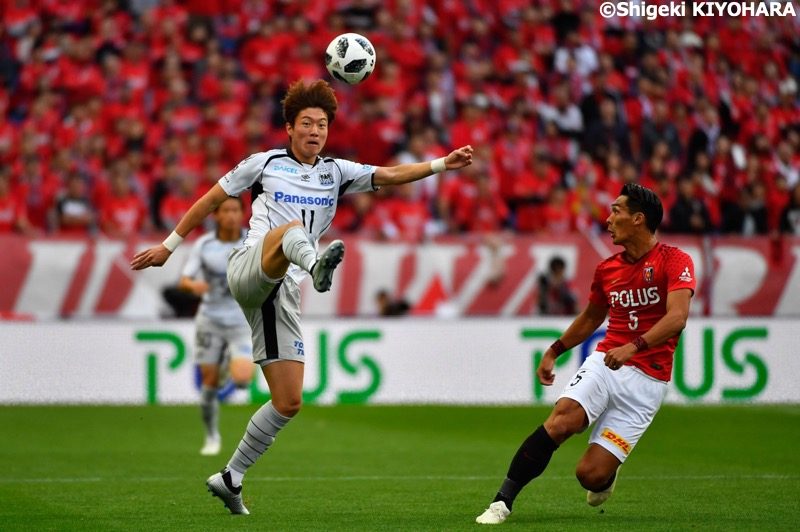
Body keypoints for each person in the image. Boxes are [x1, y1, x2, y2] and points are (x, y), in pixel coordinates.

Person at [131, 79, 473, 515]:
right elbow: (211, 199)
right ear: (289, 128)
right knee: (291, 230)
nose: (315, 131)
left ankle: (231, 477)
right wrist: (169, 246)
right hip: (250, 266)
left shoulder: (336, 172)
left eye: (322, 124)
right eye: (307, 123)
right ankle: (317, 268)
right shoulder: (264, 163)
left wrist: (443, 163)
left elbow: (388, 175)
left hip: (280, 293)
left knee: (289, 401)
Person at [476, 183, 695, 525]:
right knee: (562, 420)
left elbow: (677, 317)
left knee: (589, 475)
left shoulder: (675, 260)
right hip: (606, 363)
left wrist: (633, 347)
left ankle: (606, 476)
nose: (608, 219)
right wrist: (555, 350)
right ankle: (502, 502)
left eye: (616, 211)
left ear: (638, 219)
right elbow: (592, 317)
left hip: (648, 382)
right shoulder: (607, 269)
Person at [178, 196, 254, 456]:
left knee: (242, 380)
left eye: (235, 210)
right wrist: (194, 286)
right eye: (226, 211)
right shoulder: (204, 244)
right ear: (216, 215)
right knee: (209, 384)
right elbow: (184, 280)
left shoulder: (253, 241)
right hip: (210, 319)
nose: (231, 215)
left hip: (241, 319)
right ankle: (211, 435)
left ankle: (228, 363)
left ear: (242, 214)